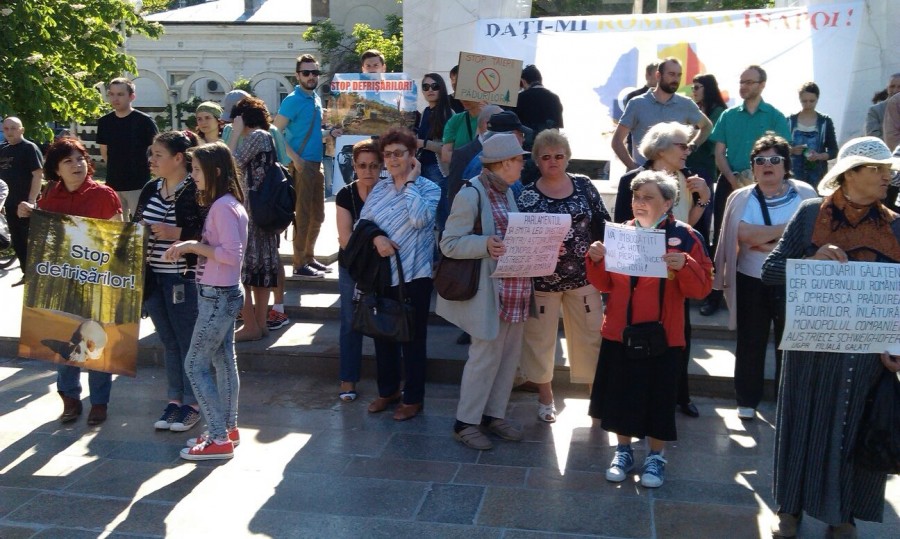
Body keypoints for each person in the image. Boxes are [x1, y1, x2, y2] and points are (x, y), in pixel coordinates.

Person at [761, 136, 900, 538]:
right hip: (811, 348)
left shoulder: (895, 224)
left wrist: (896, 349)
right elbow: (770, 271)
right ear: (849, 174)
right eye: (876, 169)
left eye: (887, 170)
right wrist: (807, 262)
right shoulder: (809, 215)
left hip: (867, 357)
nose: (885, 176)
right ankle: (789, 509)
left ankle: (843, 514)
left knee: (851, 428)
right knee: (801, 424)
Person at [586, 171, 713, 489]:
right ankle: (623, 450)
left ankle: (656, 456)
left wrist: (685, 264)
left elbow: (702, 290)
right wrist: (596, 259)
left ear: (668, 203)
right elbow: (603, 285)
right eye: (636, 196)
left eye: (648, 197)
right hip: (620, 332)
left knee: (659, 399)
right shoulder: (619, 234)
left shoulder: (686, 237)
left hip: (664, 337)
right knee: (620, 397)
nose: (639, 203)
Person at [17, 138, 123, 425]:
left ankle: (99, 403)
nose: (78, 165)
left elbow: (119, 240)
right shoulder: (51, 198)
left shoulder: (103, 194)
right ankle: (70, 399)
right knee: (66, 340)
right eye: (69, 161)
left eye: (81, 159)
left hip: (98, 279)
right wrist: (29, 212)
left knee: (97, 342)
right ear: (56, 169)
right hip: (63, 281)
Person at [713, 133, 818, 421]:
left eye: (775, 159)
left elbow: (812, 236)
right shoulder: (741, 197)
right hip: (750, 278)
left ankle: (788, 402)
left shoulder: (807, 195)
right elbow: (743, 235)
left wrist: (766, 240)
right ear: (753, 166)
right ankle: (747, 400)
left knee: (791, 343)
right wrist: (789, 232)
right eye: (760, 160)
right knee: (750, 340)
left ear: (786, 165)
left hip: (792, 280)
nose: (767, 165)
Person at [437, 133, 531, 450]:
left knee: (507, 358)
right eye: (519, 159)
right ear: (504, 163)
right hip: (488, 291)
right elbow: (448, 243)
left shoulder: (507, 192)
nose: (522, 164)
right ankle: (465, 422)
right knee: (484, 356)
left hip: (513, 288)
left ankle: (493, 415)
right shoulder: (471, 193)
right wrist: (485, 245)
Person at [614, 122, 713, 418]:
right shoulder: (634, 179)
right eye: (682, 145)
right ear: (661, 148)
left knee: (679, 334)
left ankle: (678, 395)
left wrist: (705, 197)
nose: (688, 150)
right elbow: (623, 224)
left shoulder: (691, 179)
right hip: (641, 271)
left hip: (677, 269)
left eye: (689, 146)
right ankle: (635, 394)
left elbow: (691, 228)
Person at [517, 129, 610, 422]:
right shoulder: (527, 195)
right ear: (537, 161)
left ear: (568, 158)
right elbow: (518, 238)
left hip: (584, 278)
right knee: (538, 341)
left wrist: (602, 247)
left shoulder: (584, 186)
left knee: (591, 337)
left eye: (559, 156)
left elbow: (605, 223)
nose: (553, 161)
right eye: (546, 157)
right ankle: (546, 399)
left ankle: (596, 399)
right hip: (543, 282)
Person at [167, 142, 248, 461]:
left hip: (218, 294)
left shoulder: (223, 206)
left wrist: (191, 246)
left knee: (194, 363)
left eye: (197, 169)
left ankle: (218, 436)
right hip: (222, 292)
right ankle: (227, 429)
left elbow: (230, 255)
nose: (193, 175)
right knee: (223, 360)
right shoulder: (228, 204)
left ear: (215, 171)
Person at [360, 127, 440, 421]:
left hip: (414, 276)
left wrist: (409, 184)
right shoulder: (379, 188)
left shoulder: (430, 189)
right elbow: (363, 224)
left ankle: (413, 397)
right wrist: (376, 238)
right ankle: (388, 390)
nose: (393, 160)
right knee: (383, 335)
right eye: (388, 154)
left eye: (399, 154)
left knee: (413, 340)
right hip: (382, 275)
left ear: (412, 156)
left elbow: (420, 220)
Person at [702, 65, 791, 316]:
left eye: (749, 82)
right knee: (722, 239)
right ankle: (715, 294)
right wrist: (731, 178)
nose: (744, 86)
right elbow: (719, 152)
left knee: (763, 240)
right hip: (731, 186)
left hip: (765, 189)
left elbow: (782, 154)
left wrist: (758, 179)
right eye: (741, 82)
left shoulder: (775, 116)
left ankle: (762, 296)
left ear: (762, 84)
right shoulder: (728, 116)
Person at [133, 130, 205, 432]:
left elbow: (210, 233)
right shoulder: (152, 187)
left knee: (189, 341)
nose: (151, 159)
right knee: (169, 341)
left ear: (179, 158)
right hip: (153, 277)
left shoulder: (196, 189)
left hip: (182, 277)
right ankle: (175, 400)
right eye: (151, 154)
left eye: (158, 154)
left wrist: (177, 233)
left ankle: (194, 402)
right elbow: (137, 223)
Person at [227, 97, 281, 341]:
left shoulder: (256, 137)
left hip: (251, 214)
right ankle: (260, 324)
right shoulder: (265, 136)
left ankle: (251, 324)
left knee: (246, 272)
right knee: (260, 272)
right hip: (261, 214)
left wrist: (235, 134)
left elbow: (228, 165)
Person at [335, 140, 382, 402]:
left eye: (374, 166)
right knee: (350, 321)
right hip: (352, 266)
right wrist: (375, 239)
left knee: (383, 319)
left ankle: (387, 381)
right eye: (363, 165)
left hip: (382, 267)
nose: (368, 171)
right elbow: (345, 239)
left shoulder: (388, 192)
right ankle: (348, 378)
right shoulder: (346, 194)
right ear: (354, 166)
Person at [274, 54, 328, 279]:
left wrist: (330, 133)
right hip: (302, 165)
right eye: (306, 73)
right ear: (298, 75)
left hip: (317, 163)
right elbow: (275, 131)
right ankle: (299, 263)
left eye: (315, 72)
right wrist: (295, 159)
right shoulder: (293, 100)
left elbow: (313, 131)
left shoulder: (315, 98)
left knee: (319, 215)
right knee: (303, 214)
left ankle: (309, 257)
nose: (311, 76)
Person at [612, 58, 712, 171]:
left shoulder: (685, 104)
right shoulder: (637, 103)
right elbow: (617, 141)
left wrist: (693, 145)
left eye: (679, 75)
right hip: (644, 178)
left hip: (675, 178)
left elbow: (707, 126)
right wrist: (633, 168)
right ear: (658, 75)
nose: (676, 79)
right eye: (671, 74)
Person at [96, 77, 159, 220]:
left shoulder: (144, 121)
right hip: (113, 184)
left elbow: (155, 150)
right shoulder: (105, 122)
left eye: (120, 94)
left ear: (132, 96)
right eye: (111, 94)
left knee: (140, 226)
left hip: (139, 184)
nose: (115, 98)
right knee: (116, 230)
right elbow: (104, 151)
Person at [0, 117, 43, 280]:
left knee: (29, 241)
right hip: (9, 204)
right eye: (6, 129)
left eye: (13, 128)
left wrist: (31, 201)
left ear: (22, 130)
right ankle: (27, 274)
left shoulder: (29, 148)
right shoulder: (2, 150)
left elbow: (38, 175)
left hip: (25, 205)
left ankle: (36, 276)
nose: (9, 132)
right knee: (17, 241)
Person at [416, 73, 454, 231]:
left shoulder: (448, 113)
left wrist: (423, 143)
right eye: (425, 87)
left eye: (434, 86)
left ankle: (444, 251)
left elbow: (446, 148)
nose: (430, 90)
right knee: (426, 214)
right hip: (421, 166)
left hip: (438, 168)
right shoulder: (425, 111)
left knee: (440, 214)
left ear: (442, 88)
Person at [788, 82, 838, 187]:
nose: (808, 104)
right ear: (799, 99)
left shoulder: (825, 122)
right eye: (804, 101)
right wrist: (791, 150)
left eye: (812, 101)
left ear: (818, 99)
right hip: (793, 177)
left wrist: (819, 156)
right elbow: (779, 148)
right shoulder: (789, 121)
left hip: (818, 177)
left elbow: (834, 151)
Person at [686, 74, 727, 191]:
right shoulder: (695, 109)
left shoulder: (719, 111)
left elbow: (711, 135)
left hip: (705, 166)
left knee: (703, 205)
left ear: (708, 88)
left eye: (697, 87)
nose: (694, 91)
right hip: (688, 164)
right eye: (692, 88)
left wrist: (689, 133)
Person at [515, 64, 564, 134]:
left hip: (526, 143)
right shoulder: (555, 98)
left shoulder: (520, 98)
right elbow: (556, 128)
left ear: (523, 81)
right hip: (549, 142)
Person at [864, 72, 900, 139]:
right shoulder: (875, 110)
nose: (895, 90)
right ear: (887, 88)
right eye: (892, 86)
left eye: (899, 87)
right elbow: (873, 137)